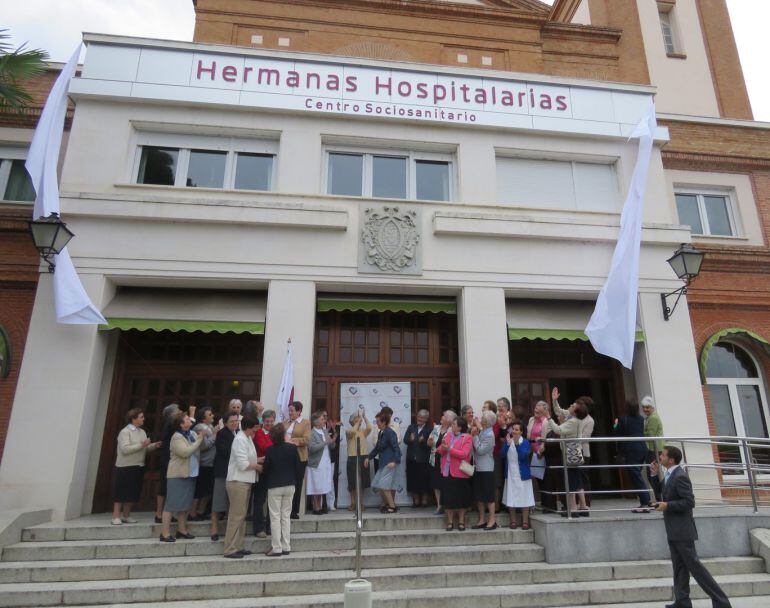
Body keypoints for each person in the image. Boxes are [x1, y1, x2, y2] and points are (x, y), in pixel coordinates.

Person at [655, 446, 732, 608]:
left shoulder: (680, 476)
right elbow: (663, 492)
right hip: (673, 530)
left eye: (662, 455)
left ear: (671, 460)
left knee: (697, 570)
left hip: (683, 531)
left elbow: (689, 502)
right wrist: (654, 475)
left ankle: (722, 602)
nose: (659, 457)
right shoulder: (670, 475)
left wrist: (668, 506)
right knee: (679, 568)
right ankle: (682, 602)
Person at [160, 411, 204, 542]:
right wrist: (200, 440)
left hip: (190, 473)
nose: (190, 420)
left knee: (185, 505)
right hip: (177, 474)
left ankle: (182, 529)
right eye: (186, 419)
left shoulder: (191, 433)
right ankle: (165, 533)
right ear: (180, 424)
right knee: (171, 504)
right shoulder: (177, 437)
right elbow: (185, 452)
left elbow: (200, 447)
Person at [113, 408, 160, 525]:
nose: (144, 419)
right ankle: (116, 516)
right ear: (133, 419)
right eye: (141, 417)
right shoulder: (125, 432)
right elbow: (125, 449)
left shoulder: (142, 432)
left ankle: (126, 515)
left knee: (133, 492)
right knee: (121, 492)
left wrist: (154, 445)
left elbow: (144, 448)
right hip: (125, 466)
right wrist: (141, 444)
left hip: (139, 465)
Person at [223, 416, 262, 558]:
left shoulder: (248, 438)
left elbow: (248, 458)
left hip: (245, 481)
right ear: (247, 428)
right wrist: (258, 466)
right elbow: (242, 464)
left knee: (241, 515)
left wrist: (260, 460)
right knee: (236, 515)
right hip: (237, 481)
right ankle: (230, 548)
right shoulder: (240, 439)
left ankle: (238, 546)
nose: (256, 431)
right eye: (254, 428)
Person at [262, 423, 301, 557]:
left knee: (275, 517)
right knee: (286, 516)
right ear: (284, 435)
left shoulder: (270, 450)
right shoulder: (292, 448)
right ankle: (286, 546)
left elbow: (266, 468)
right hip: (290, 484)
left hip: (274, 485)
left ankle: (276, 547)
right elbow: (297, 467)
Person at [545, 401, 589, 518]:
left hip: (569, 454)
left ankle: (573, 509)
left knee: (570, 482)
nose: (570, 405)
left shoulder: (573, 422)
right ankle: (583, 507)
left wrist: (549, 417)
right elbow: (559, 411)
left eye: (573, 406)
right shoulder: (574, 418)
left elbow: (557, 430)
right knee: (577, 481)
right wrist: (554, 400)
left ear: (575, 411)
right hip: (575, 454)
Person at [614, 400, 653, 513]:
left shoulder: (623, 419)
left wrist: (616, 423)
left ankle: (646, 502)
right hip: (642, 448)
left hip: (631, 449)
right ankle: (646, 501)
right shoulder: (641, 419)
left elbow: (616, 432)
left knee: (636, 476)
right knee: (637, 475)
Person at [437, 416, 473, 531]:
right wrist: (439, 447)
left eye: (454, 424)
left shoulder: (467, 437)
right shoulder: (448, 435)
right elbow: (440, 450)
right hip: (447, 471)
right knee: (448, 498)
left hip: (459, 472)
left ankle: (461, 521)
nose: (451, 426)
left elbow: (464, 454)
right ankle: (450, 521)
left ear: (460, 427)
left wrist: (449, 449)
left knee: (460, 498)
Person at [364, 411, 401, 514]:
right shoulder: (381, 432)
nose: (377, 424)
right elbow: (377, 448)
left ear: (384, 422)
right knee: (377, 484)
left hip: (390, 463)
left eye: (378, 422)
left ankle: (392, 507)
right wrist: (368, 457)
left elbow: (396, 448)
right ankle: (387, 504)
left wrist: (395, 461)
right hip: (383, 463)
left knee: (384, 486)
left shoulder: (390, 432)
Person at [211, 411, 239, 541]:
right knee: (218, 501)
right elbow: (226, 452)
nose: (234, 423)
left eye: (236, 421)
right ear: (226, 423)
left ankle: (230, 530)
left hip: (234, 473)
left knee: (231, 502)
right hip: (222, 472)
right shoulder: (222, 434)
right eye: (231, 421)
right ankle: (214, 529)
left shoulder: (238, 433)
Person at [501, 422, 535, 529]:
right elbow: (501, 455)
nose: (514, 431)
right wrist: (507, 444)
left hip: (522, 473)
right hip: (511, 473)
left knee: (525, 497)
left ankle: (525, 521)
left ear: (521, 432)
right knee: (511, 497)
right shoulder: (508, 441)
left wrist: (516, 444)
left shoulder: (525, 442)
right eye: (513, 429)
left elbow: (523, 456)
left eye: (516, 430)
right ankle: (513, 521)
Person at [471, 410, 497, 530]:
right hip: (478, 467)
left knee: (489, 496)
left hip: (487, 468)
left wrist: (475, 436)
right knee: (479, 496)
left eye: (482, 419)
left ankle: (492, 520)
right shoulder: (483, 431)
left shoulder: (490, 435)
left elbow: (480, 450)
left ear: (487, 422)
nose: (480, 420)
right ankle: (482, 519)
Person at [252, 409, 275, 538]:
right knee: (260, 500)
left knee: (272, 500)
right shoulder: (259, 432)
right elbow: (265, 447)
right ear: (263, 421)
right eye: (267, 421)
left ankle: (269, 527)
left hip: (273, 470)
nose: (270, 424)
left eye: (272, 421)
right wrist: (275, 446)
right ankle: (258, 528)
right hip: (261, 469)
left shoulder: (275, 433)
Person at [190, 406, 216, 521]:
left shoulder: (210, 426)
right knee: (199, 489)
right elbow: (203, 446)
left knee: (208, 489)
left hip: (211, 463)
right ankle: (192, 512)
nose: (212, 416)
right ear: (203, 419)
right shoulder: (199, 427)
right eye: (210, 415)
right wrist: (215, 435)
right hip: (203, 463)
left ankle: (201, 510)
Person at [286, 401, 310, 519]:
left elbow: (306, 440)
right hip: (286, 456)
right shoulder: (285, 422)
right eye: (289, 410)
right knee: (287, 483)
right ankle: (286, 509)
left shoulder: (305, 423)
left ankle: (294, 510)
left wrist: (291, 441)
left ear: (299, 411)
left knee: (297, 483)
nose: (290, 413)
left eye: (292, 410)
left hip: (300, 456)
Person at [404, 409, 433, 508]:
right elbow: (405, 440)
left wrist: (423, 442)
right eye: (418, 417)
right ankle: (416, 500)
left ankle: (424, 500)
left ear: (426, 419)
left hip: (424, 459)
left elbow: (431, 445)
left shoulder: (429, 429)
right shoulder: (411, 427)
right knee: (412, 479)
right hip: (411, 458)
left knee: (424, 480)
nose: (419, 419)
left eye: (422, 418)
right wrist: (410, 440)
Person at [428, 410, 455, 515]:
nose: (442, 417)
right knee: (436, 483)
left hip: (446, 459)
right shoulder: (436, 428)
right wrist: (429, 442)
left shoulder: (452, 430)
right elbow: (429, 442)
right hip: (435, 458)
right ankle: (439, 505)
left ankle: (447, 504)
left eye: (443, 416)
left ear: (448, 420)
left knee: (446, 483)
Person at [307, 411, 334, 515]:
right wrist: (325, 443)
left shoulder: (324, 431)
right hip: (316, 464)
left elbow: (330, 446)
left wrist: (332, 442)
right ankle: (316, 507)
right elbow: (312, 448)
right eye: (322, 419)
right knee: (316, 486)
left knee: (322, 485)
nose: (324, 421)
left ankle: (321, 506)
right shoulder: (312, 433)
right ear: (315, 422)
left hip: (325, 462)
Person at [345, 409, 372, 512]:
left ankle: (361, 503)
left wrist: (364, 417)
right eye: (357, 418)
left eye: (359, 418)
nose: (359, 420)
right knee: (352, 483)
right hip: (352, 457)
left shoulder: (363, 432)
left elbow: (369, 428)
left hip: (363, 457)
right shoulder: (349, 431)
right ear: (353, 421)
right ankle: (353, 503)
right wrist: (358, 421)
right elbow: (352, 431)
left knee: (362, 482)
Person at [526, 400, 549, 505]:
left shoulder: (546, 421)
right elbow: (528, 435)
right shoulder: (531, 419)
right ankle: (535, 502)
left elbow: (545, 439)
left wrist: (540, 451)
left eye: (539, 409)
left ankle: (546, 502)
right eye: (535, 408)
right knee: (533, 477)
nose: (536, 411)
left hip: (540, 453)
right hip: (531, 452)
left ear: (544, 411)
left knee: (542, 478)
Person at [642, 395, 664, 502]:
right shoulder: (651, 417)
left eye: (647, 407)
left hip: (655, 450)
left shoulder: (653, 418)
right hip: (653, 449)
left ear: (652, 407)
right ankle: (659, 498)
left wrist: (640, 432)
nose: (645, 409)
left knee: (653, 475)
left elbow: (650, 435)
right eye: (644, 407)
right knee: (653, 474)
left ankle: (660, 499)